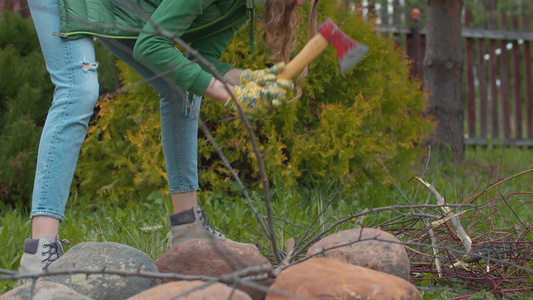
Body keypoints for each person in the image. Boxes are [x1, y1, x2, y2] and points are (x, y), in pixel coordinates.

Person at [20, 0, 318, 274]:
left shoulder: (242, 5)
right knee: (78, 91)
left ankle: (188, 229)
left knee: (181, 87)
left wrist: (248, 78)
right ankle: (39, 254)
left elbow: (199, 63)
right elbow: (151, 45)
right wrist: (228, 95)